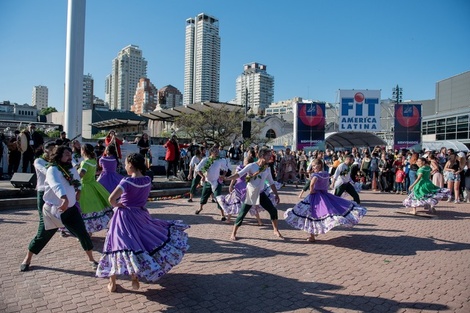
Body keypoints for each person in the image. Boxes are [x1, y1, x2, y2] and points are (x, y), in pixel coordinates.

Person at [96, 153, 189, 292]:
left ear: (131, 165)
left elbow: (111, 199)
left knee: (114, 245)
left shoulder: (126, 181)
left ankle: (113, 282)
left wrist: (118, 204)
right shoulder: (147, 180)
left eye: (126, 164)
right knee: (138, 244)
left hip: (124, 217)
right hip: (140, 214)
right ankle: (135, 275)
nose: (125, 166)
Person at [20, 145, 98, 272]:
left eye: (70, 154)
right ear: (59, 155)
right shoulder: (53, 169)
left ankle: (91, 260)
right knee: (41, 237)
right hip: (53, 211)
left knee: (83, 233)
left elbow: (77, 180)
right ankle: (27, 259)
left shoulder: (71, 168)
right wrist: (64, 198)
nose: (70, 157)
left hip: (71, 210)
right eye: (67, 154)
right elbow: (56, 184)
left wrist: (78, 190)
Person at [284, 159, 367, 242]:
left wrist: (312, 190)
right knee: (320, 213)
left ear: (319, 165)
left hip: (315, 196)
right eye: (312, 166)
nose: (313, 167)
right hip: (324, 194)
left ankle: (312, 236)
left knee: (311, 214)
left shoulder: (316, 175)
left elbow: (312, 183)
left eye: (314, 165)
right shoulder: (326, 174)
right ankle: (313, 233)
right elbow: (326, 184)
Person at [224, 147, 283, 241]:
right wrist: (227, 178)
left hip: (261, 193)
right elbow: (239, 174)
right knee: (242, 214)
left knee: (273, 210)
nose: (270, 157)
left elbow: (271, 182)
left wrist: (276, 195)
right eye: (268, 155)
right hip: (251, 194)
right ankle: (233, 233)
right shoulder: (251, 166)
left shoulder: (267, 168)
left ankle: (276, 230)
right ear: (262, 156)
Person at [19, 141, 56, 271]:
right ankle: (28, 257)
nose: (53, 152)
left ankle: (91, 258)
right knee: (44, 227)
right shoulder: (39, 161)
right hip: (44, 194)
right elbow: (49, 173)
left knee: (77, 225)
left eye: (55, 150)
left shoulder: (58, 163)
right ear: (45, 151)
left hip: (58, 194)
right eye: (51, 150)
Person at [216, 155, 265, 225]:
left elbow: (235, 176)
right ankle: (259, 221)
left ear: (246, 161)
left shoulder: (241, 167)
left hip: (239, 187)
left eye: (245, 160)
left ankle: (229, 219)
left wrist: (231, 185)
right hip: (247, 187)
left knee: (232, 203)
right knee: (251, 205)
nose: (243, 161)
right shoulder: (252, 169)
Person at [78, 144, 112, 234]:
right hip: (93, 185)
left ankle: (87, 231)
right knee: (93, 206)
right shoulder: (93, 161)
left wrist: (72, 177)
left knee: (85, 208)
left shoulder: (85, 162)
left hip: (85, 186)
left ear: (84, 151)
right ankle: (89, 230)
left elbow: (82, 174)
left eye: (81, 150)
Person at [195, 146, 228, 221]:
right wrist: (202, 176)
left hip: (216, 182)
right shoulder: (206, 160)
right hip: (208, 182)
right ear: (211, 152)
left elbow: (226, 168)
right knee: (204, 196)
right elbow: (197, 169)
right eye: (215, 151)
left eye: (217, 151)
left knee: (218, 198)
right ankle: (200, 208)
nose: (217, 153)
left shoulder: (220, 160)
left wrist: (223, 175)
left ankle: (222, 215)